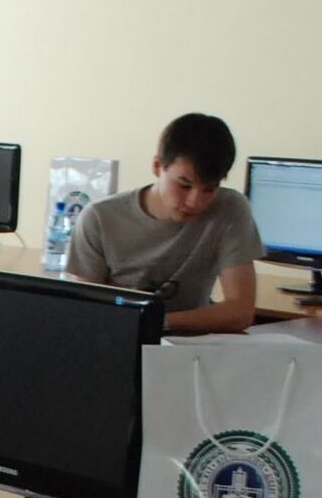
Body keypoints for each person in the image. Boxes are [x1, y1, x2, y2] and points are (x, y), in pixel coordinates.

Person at [65, 113, 265, 335]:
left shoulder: (230, 208)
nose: (195, 201)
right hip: (119, 337)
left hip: (190, 344)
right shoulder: (99, 218)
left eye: (209, 189)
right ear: (157, 166)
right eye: (184, 185)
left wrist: (157, 322)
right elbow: (85, 311)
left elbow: (240, 311)